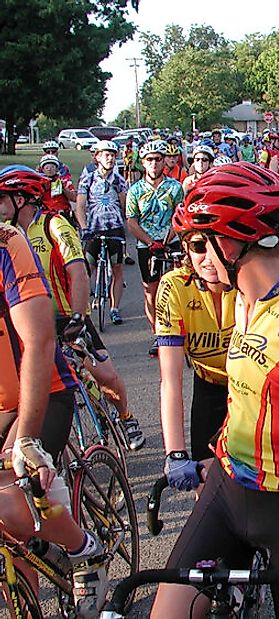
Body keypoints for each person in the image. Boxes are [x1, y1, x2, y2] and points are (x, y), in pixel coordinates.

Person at [151, 162, 279, 619]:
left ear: (236, 242)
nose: (196, 257)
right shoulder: (240, 297)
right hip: (227, 486)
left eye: (203, 243)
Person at [0, 166, 110, 617]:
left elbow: (39, 339)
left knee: (11, 503)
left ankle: (84, 548)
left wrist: (25, 437)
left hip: (39, 386)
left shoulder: (8, 243)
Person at [9, 165, 144, 451]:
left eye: (1, 198)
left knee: (105, 377)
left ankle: (126, 416)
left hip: (64, 317)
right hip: (27, 324)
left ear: (19, 199)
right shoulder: (6, 237)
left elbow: (78, 272)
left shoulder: (53, 225)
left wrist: (79, 318)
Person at [156, 206, 235, 491]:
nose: (210, 258)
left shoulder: (246, 277)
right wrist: (175, 453)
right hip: (209, 387)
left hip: (254, 391)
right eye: (199, 246)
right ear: (185, 249)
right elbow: (170, 380)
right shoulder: (174, 287)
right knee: (206, 491)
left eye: (217, 244)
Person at [125, 140, 184, 356]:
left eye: (158, 159)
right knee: (152, 291)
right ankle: (158, 335)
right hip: (146, 245)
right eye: (149, 160)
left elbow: (180, 215)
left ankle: (180, 331)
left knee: (178, 288)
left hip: (172, 242)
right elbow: (132, 221)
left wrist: (168, 239)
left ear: (163, 162)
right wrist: (151, 242)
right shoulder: (135, 190)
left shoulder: (175, 187)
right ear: (143, 163)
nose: (154, 164)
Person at [76, 139, 129, 325]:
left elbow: (124, 206)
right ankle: (82, 308)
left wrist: (125, 224)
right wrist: (84, 228)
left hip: (114, 229)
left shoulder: (119, 180)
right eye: (106, 155)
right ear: (97, 157)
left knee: (117, 269)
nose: (110, 158)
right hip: (93, 230)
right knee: (87, 269)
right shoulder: (88, 179)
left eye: (113, 155)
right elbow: (80, 207)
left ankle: (114, 308)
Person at [38, 154, 77, 220]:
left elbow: (74, 198)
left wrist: (63, 188)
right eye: (47, 168)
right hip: (46, 215)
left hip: (63, 213)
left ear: (57, 169)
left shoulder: (64, 181)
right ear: (43, 170)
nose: (49, 169)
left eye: (52, 167)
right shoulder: (39, 183)